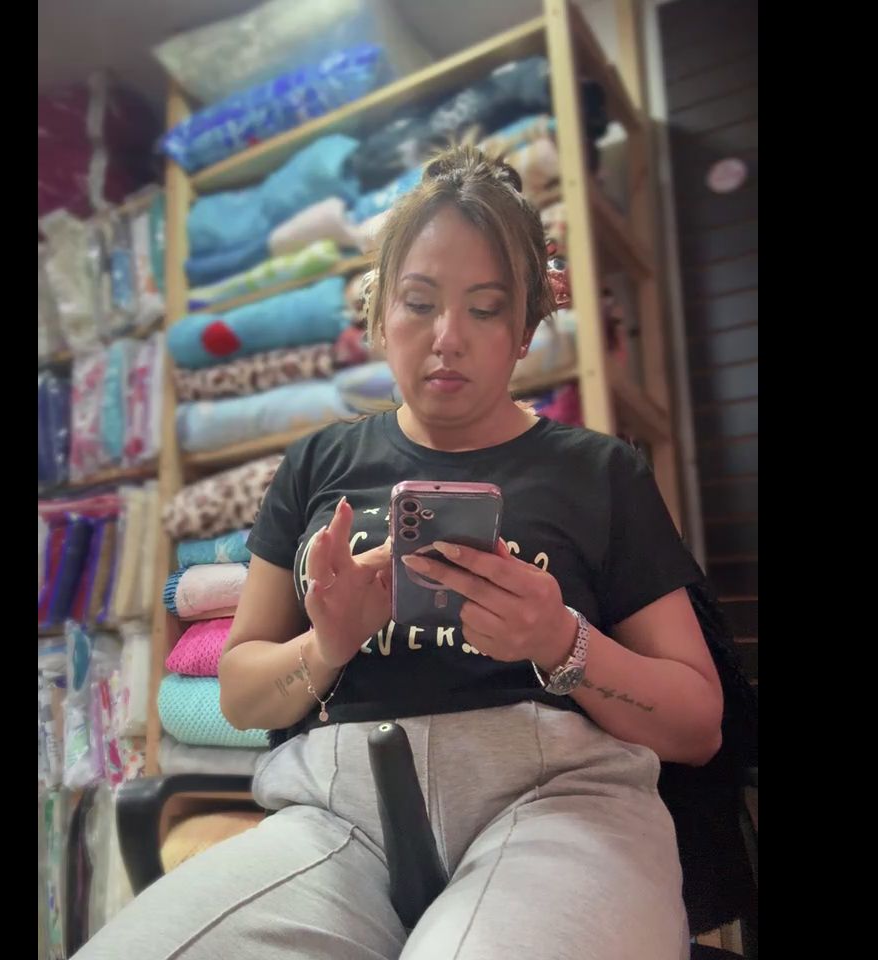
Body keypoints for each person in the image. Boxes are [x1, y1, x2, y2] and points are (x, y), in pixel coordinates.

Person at [78, 145, 722, 960]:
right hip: (337, 817)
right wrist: (327, 645)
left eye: (486, 309)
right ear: (381, 315)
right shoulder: (317, 464)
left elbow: (698, 724)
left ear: (526, 331)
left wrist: (561, 642)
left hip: (562, 801)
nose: (447, 338)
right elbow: (240, 694)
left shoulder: (601, 473)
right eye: (419, 302)